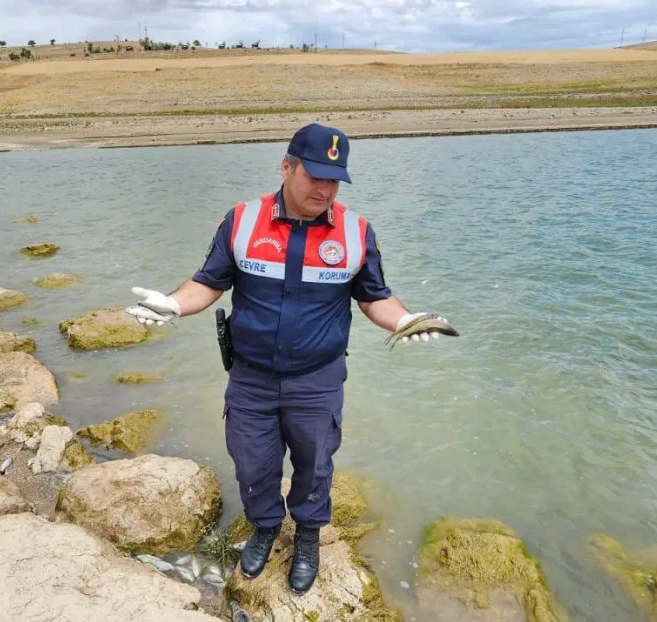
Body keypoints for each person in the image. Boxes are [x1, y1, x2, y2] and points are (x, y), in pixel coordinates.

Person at [126, 123, 451, 594]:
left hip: (317, 380)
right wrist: (174, 304)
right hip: (251, 377)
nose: (324, 190)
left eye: (334, 180)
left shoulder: (357, 232)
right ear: (286, 167)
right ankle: (264, 527)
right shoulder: (242, 221)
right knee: (252, 462)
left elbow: (374, 297)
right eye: (314, 176)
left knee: (315, 464)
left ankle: (309, 536)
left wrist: (404, 320)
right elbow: (208, 283)